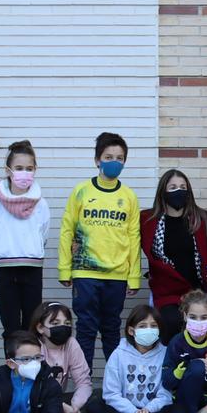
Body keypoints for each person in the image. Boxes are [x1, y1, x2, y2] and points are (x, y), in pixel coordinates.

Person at [58, 132, 141, 366]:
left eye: (119, 157)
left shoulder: (129, 197)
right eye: (108, 156)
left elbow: (134, 238)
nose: (114, 161)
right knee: (85, 330)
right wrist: (64, 270)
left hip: (117, 276)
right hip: (85, 274)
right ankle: (82, 386)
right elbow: (66, 231)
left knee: (112, 330)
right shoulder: (81, 192)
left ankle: (115, 385)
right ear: (97, 160)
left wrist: (133, 276)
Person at [86, 305, 183, 413]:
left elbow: (165, 393)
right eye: (143, 326)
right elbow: (111, 394)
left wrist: (147, 410)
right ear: (131, 331)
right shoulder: (118, 354)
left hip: (152, 410)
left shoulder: (165, 354)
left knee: (180, 408)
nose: (148, 330)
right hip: (125, 409)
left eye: (153, 326)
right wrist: (133, 412)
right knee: (93, 406)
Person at [141, 169, 207, 343]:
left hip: (198, 291)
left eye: (183, 187)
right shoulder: (147, 220)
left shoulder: (199, 218)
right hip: (168, 291)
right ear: (163, 191)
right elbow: (124, 242)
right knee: (171, 322)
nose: (178, 191)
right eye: (172, 187)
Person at [0, 140, 50, 335]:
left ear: (35, 170)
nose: (24, 172)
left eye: (29, 168)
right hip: (6, 269)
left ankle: (31, 363)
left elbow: (44, 233)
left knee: (32, 324)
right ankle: (12, 365)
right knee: (10, 326)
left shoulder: (41, 204)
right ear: (8, 170)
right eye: (19, 168)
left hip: (32, 267)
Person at [27, 302, 92, 413]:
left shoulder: (71, 344)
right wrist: (62, 407)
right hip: (36, 400)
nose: (63, 327)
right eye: (55, 324)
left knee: (98, 399)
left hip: (60, 399)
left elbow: (84, 382)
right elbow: (30, 390)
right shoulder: (32, 346)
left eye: (67, 323)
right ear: (40, 328)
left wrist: (74, 407)